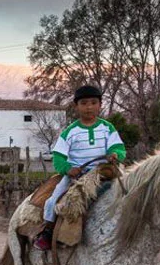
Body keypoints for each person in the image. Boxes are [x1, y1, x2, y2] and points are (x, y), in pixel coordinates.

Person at [33, 84, 126, 251]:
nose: (89, 107)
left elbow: (118, 147)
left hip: (104, 172)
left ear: (100, 105)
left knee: (130, 193)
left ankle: (140, 232)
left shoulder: (107, 128)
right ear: (76, 106)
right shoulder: (70, 131)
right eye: (83, 103)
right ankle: (47, 231)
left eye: (93, 102)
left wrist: (115, 154)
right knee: (54, 199)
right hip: (78, 176)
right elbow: (59, 157)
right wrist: (68, 169)